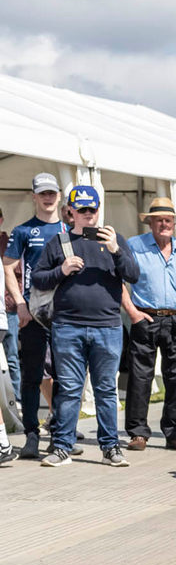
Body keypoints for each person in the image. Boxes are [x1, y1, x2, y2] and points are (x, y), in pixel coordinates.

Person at [34, 184, 138, 469]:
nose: (88, 214)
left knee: (106, 390)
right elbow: (39, 279)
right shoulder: (59, 242)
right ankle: (63, 446)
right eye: (82, 210)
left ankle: (110, 447)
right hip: (68, 326)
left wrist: (116, 250)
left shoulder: (114, 239)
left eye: (92, 209)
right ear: (71, 212)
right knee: (69, 389)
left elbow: (133, 275)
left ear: (98, 209)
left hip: (107, 327)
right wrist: (62, 270)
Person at [122, 198, 176, 451]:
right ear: (150, 222)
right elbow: (118, 281)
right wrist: (132, 312)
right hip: (145, 317)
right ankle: (138, 433)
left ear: (174, 223)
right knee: (140, 377)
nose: (164, 224)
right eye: (158, 220)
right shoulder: (134, 246)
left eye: (168, 220)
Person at [6, 172, 68, 458]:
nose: (47, 198)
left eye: (51, 193)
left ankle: (61, 435)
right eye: (42, 193)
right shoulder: (23, 231)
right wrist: (20, 303)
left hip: (66, 314)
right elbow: (8, 267)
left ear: (59, 196)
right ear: (34, 196)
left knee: (65, 376)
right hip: (34, 313)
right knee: (31, 375)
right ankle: (31, 435)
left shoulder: (70, 229)